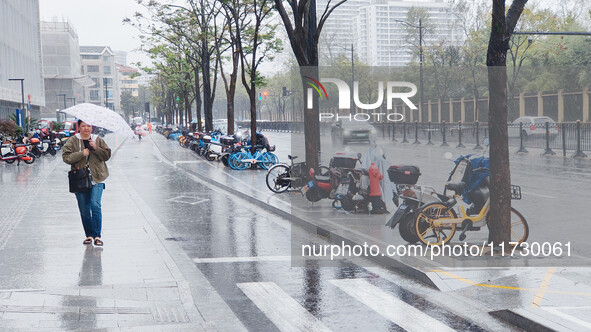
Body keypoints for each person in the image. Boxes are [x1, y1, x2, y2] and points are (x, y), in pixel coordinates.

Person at [62, 120, 111, 246]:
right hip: (79, 179)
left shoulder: (98, 139)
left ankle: (97, 236)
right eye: (83, 126)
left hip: (97, 178)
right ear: (79, 127)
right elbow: (66, 157)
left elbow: (106, 155)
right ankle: (88, 235)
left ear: (92, 127)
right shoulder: (73, 140)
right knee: (84, 209)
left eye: (88, 126)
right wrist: (81, 154)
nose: (86, 128)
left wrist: (96, 148)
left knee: (95, 205)